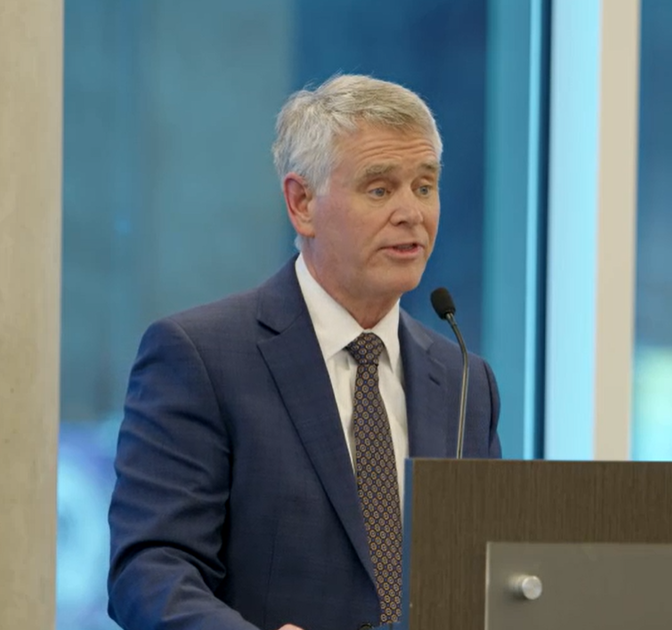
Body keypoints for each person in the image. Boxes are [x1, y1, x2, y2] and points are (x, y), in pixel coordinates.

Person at [106, 74, 502, 630]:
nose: (412, 213)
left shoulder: (464, 379)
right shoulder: (200, 356)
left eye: (425, 186)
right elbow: (149, 571)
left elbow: (487, 572)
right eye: (380, 188)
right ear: (302, 203)